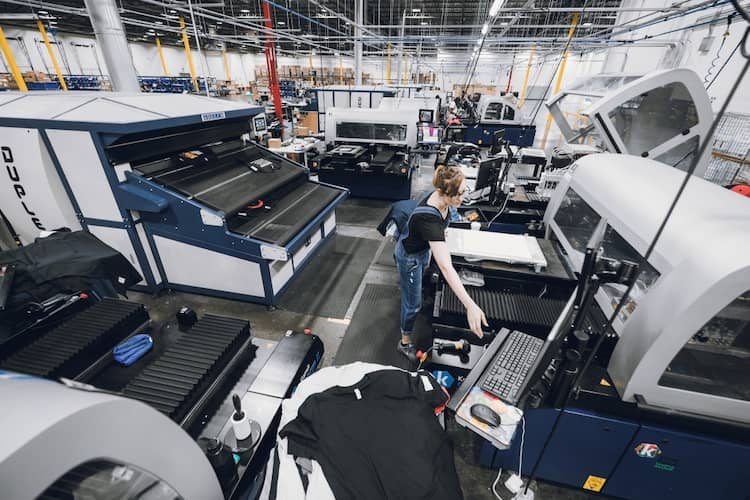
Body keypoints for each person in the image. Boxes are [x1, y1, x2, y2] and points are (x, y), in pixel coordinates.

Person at [394, 165, 488, 362]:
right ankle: (404, 343)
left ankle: (411, 287)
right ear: (446, 193)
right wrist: (470, 305)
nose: (463, 198)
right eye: (460, 194)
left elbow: (449, 215)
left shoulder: (441, 198)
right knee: (413, 304)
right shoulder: (429, 218)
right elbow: (446, 267)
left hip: (421, 250)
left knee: (417, 288)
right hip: (410, 258)